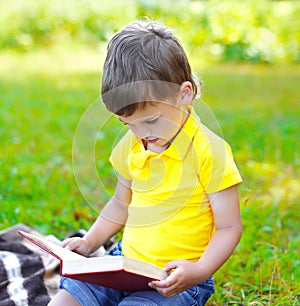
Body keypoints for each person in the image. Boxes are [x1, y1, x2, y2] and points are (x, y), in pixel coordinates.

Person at [48, 20, 242, 306]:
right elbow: (120, 204)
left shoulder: (209, 152)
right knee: (65, 301)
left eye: (151, 120)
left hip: (174, 280)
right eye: (128, 124)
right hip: (124, 264)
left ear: (183, 94)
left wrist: (198, 271)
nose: (142, 133)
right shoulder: (132, 144)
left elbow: (229, 227)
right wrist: (90, 242)